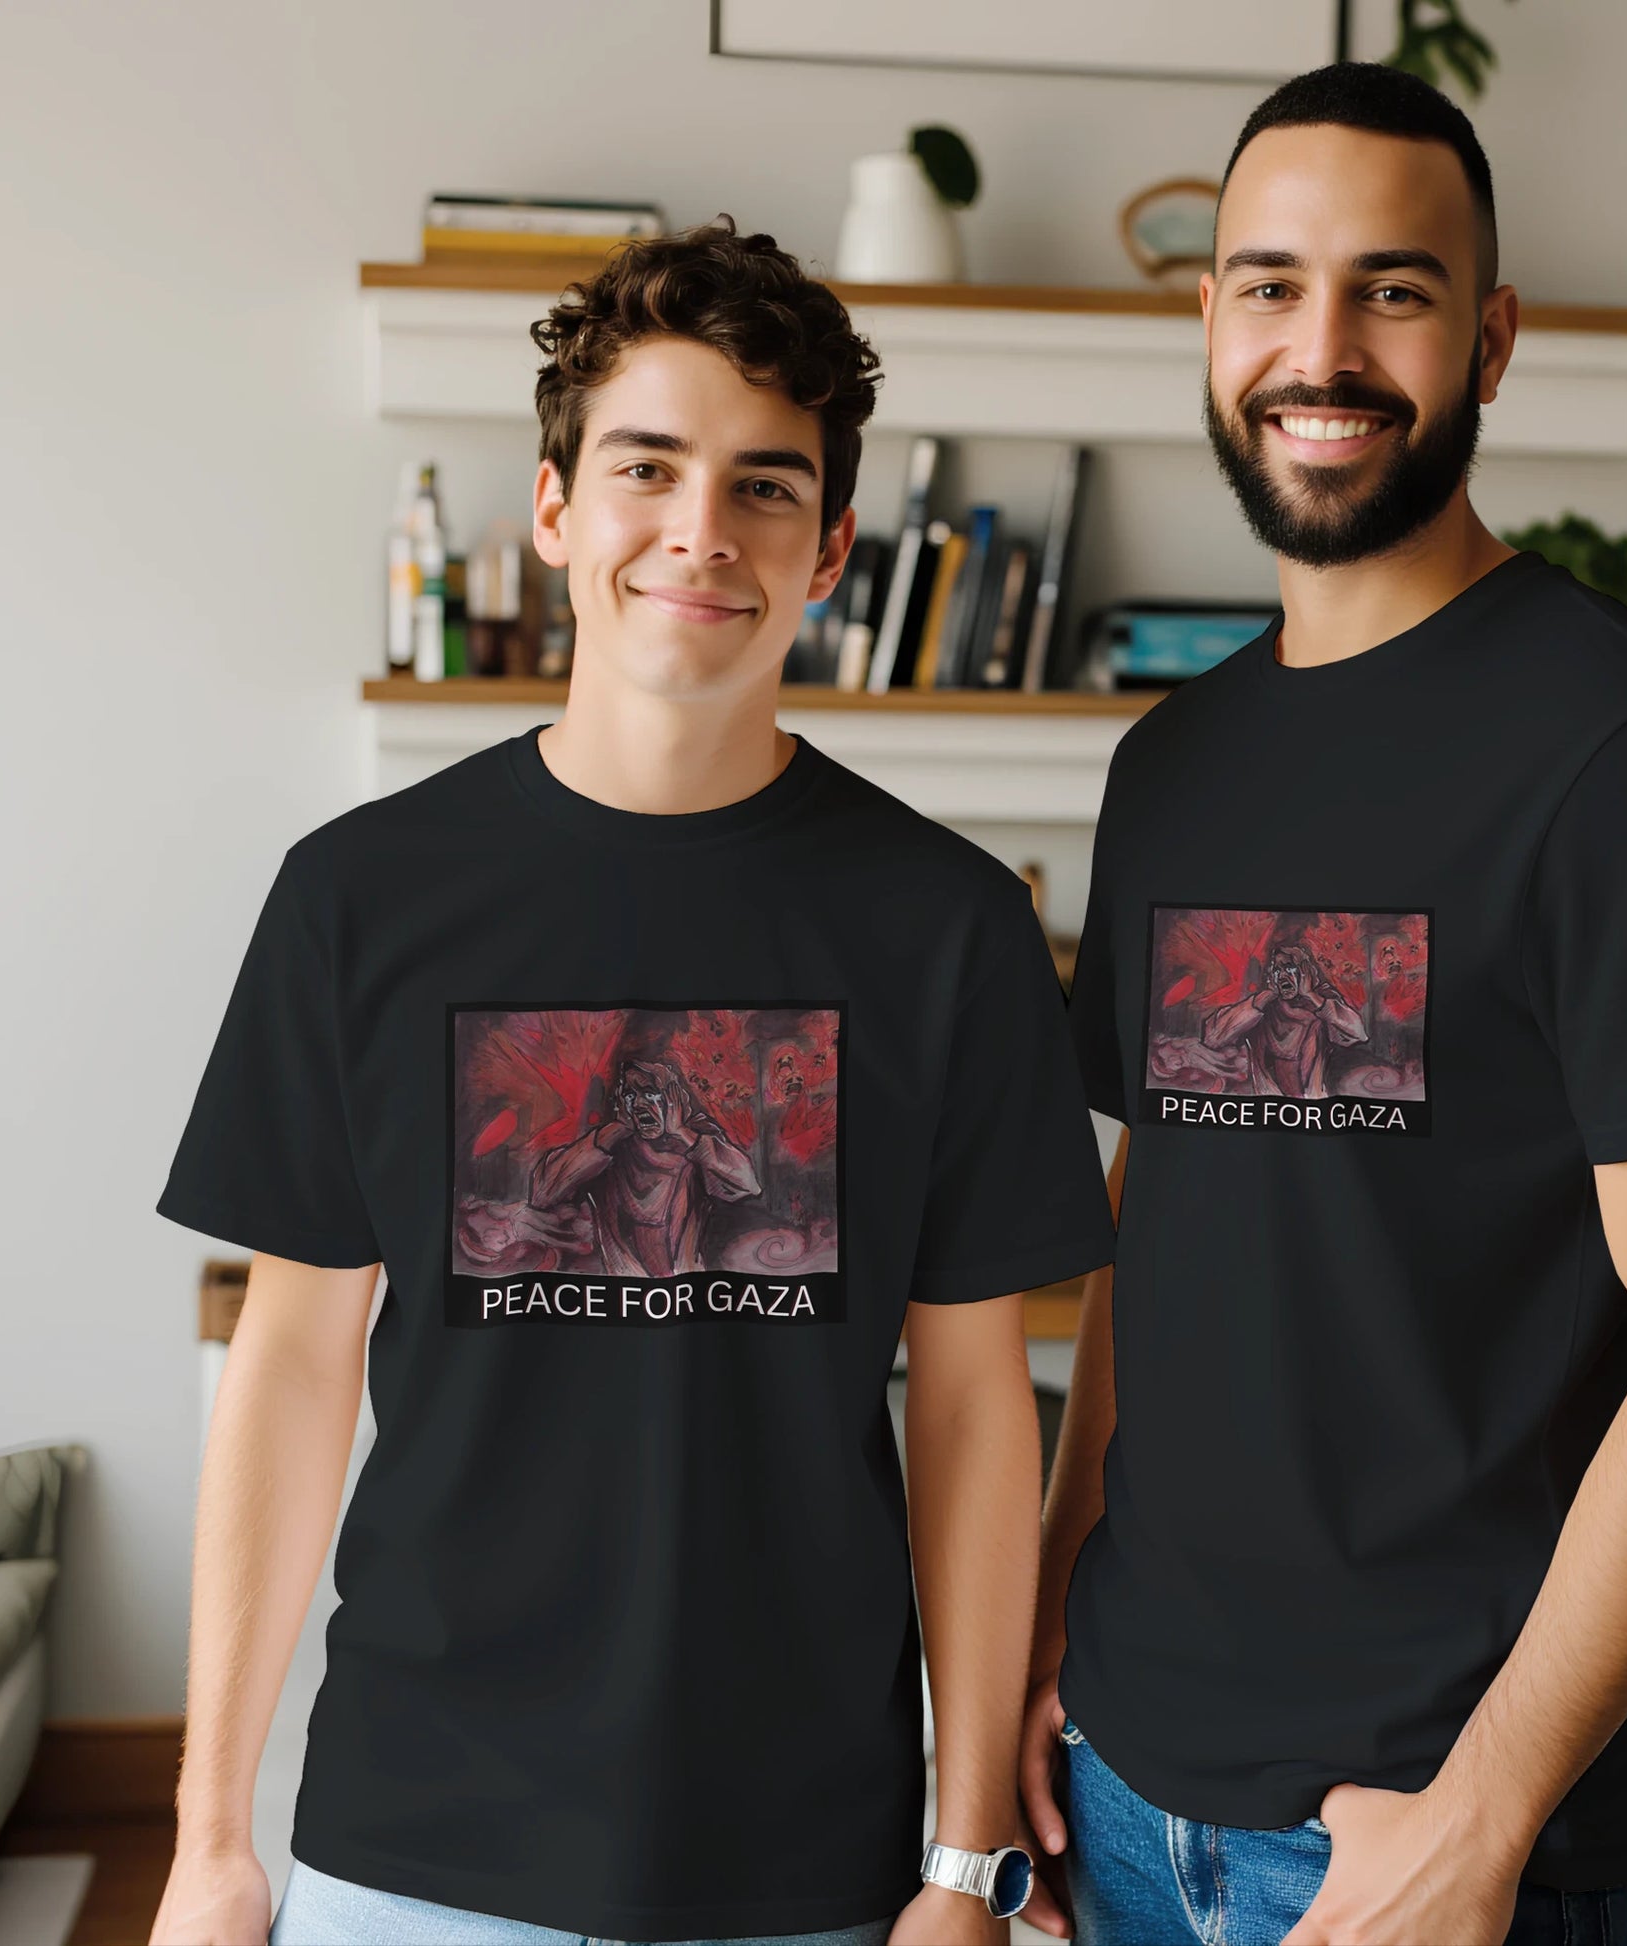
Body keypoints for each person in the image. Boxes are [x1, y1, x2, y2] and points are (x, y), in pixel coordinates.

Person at [151, 220, 1114, 1946]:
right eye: (646, 469)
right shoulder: (359, 897)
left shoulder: (950, 928)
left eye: (764, 487)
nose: (698, 532)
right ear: (551, 509)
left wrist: (965, 1859)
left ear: (828, 551)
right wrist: (210, 1834)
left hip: (803, 1861)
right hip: (413, 1845)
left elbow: (976, 1407)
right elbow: (294, 1359)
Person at [1020, 64, 1627, 1946]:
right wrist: (1057, 1607)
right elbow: (1156, 1223)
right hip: (1129, 1778)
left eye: (1392, 287)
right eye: (1268, 283)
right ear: (1208, 320)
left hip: (1418, 1827)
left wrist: (1479, 1823)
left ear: (1490, 335)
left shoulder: (1625, 754)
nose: (1322, 343)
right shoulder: (1175, 762)